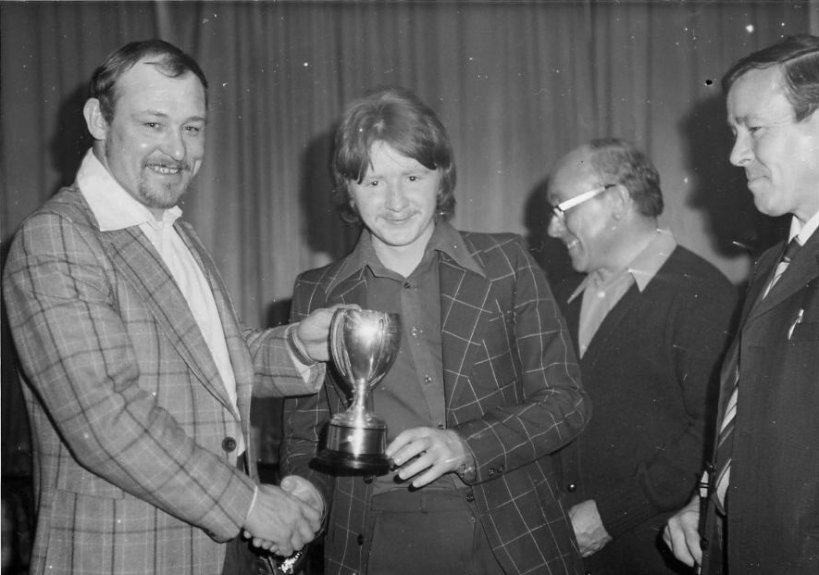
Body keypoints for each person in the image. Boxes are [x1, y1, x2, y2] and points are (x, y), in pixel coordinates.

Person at [3, 39, 332, 575]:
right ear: (98, 119)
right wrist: (248, 504)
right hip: (123, 557)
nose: (177, 151)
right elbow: (107, 418)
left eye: (193, 128)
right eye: (153, 124)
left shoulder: (172, 229)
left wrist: (299, 345)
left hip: (216, 551)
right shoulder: (56, 238)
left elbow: (209, 363)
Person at [279, 86, 590, 575]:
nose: (396, 201)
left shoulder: (505, 264)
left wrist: (464, 445)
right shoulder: (316, 292)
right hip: (376, 540)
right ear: (348, 188)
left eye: (412, 176)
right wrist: (304, 494)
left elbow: (565, 402)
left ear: (441, 177)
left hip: (510, 535)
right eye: (374, 182)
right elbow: (304, 440)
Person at [663, 35, 819, 574]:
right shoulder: (776, 261)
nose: (735, 155)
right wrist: (708, 500)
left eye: (754, 129)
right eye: (734, 133)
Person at [545, 138, 736, 573]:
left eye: (562, 209)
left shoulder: (700, 294)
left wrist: (611, 514)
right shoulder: (561, 297)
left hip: (652, 553)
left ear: (616, 200)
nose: (554, 229)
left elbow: (712, 432)